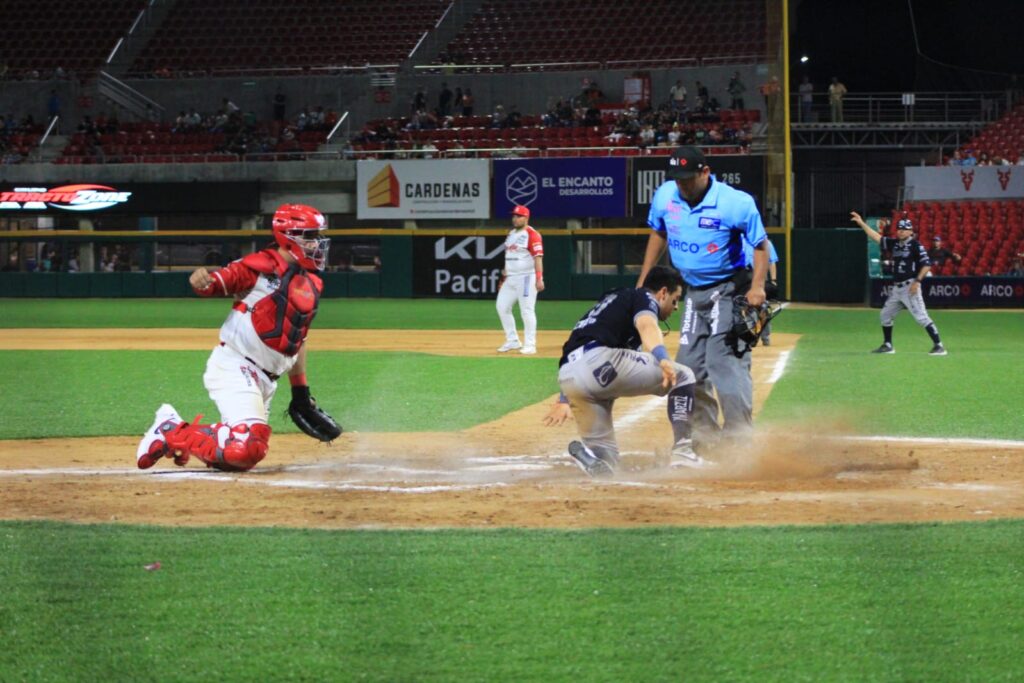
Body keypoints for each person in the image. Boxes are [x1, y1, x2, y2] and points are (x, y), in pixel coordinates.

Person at [135, 204, 339, 472]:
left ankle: (185, 438)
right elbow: (220, 280)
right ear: (288, 236)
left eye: (317, 236)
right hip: (236, 366)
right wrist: (204, 280)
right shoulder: (258, 268)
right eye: (309, 236)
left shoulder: (312, 284)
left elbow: (299, 339)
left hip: (267, 379)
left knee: (241, 459)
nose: (316, 243)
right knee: (246, 447)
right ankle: (171, 429)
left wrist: (301, 392)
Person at [637, 146, 770, 456]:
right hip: (694, 292)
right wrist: (645, 279)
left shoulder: (735, 203)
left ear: (705, 172)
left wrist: (759, 287)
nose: (682, 185)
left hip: (730, 289)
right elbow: (658, 233)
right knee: (687, 367)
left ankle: (739, 439)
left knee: (722, 360)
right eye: (677, 179)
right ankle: (707, 438)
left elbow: (760, 245)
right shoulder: (666, 196)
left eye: (688, 179)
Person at [542, 265, 702, 475]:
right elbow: (647, 325)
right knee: (683, 376)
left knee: (608, 462)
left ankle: (590, 456)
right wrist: (663, 359)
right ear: (663, 292)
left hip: (569, 378)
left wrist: (564, 399)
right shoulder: (644, 298)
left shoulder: (610, 305)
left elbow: (575, 350)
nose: (675, 307)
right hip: (599, 363)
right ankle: (683, 451)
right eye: (675, 299)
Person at [851, 211, 947, 355]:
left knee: (921, 317)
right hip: (897, 288)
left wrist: (917, 281)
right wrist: (862, 224)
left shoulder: (915, 245)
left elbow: (926, 264)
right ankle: (888, 345)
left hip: (910, 286)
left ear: (910, 231)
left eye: (904, 229)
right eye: (899, 229)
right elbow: (877, 237)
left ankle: (939, 346)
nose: (901, 232)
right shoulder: (895, 244)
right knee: (885, 315)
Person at [496, 204, 544, 355]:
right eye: (514, 216)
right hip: (510, 278)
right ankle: (513, 340)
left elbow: (538, 258)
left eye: (519, 216)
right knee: (502, 307)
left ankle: (530, 345)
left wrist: (539, 278)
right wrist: (504, 277)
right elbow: (509, 257)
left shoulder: (532, 234)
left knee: (527, 310)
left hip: (526, 277)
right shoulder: (511, 234)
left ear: (526, 217)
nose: (515, 219)